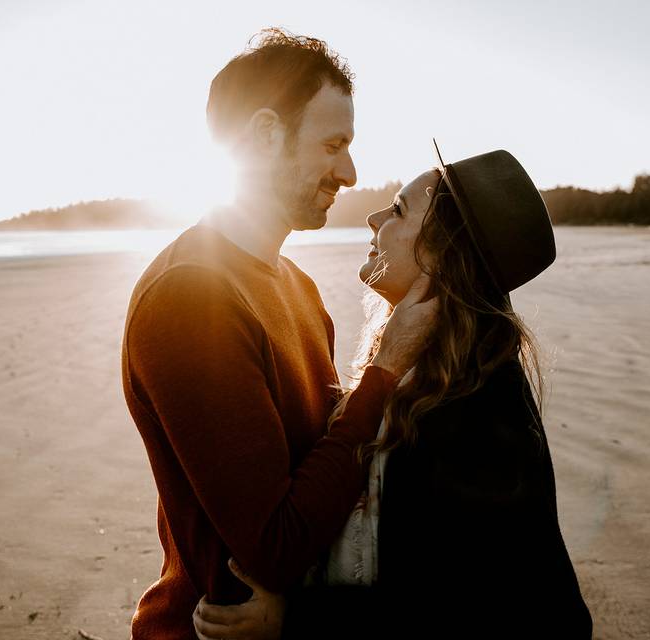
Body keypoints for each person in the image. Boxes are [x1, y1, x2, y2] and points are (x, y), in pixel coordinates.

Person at [192, 148, 593, 638]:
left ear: (444, 256)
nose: (374, 215)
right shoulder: (422, 373)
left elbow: (480, 609)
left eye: (399, 210)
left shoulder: (479, 408)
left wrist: (296, 620)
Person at [121, 30, 435, 639]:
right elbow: (276, 547)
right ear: (265, 134)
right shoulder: (192, 297)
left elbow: (324, 467)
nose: (348, 171)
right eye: (332, 144)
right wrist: (387, 368)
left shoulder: (297, 285)